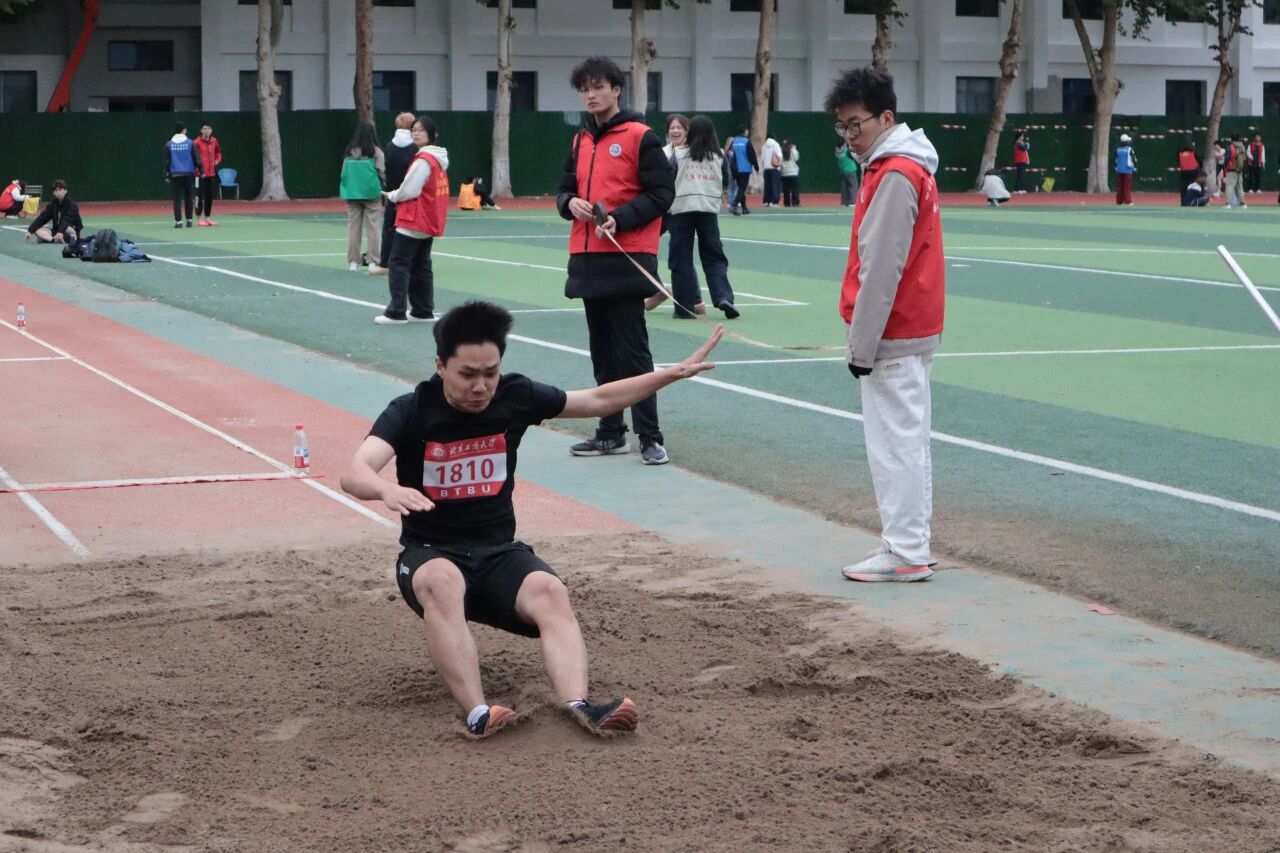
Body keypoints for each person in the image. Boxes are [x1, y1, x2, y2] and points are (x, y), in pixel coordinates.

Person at [340, 301, 723, 738]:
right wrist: (385, 489)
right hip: (431, 556)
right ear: (440, 366)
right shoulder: (411, 410)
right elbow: (354, 473)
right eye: (467, 374)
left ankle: (579, 706)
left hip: (498, 555)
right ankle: (478, 713)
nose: (481, 386)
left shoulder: (515, 396)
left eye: (491, 372)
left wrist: (668, 375)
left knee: (549, 589)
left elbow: (597, 399)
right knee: (443, 581)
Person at [827, 66, 944, 584]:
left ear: (886, 118)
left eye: (856, 124)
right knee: (907, 441)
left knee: (895, 444)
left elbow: (881, 267)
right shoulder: (899, 168)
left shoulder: (895, 173)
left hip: (894, 332)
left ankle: (906, 550)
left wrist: (862, 345)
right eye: (843, 127)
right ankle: (911, 544)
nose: (850, 136)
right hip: (907, 328)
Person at [556, 55, 674, 466]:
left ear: (616, 89)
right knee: (603, 353)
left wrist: (619, 219)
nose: (590, 95)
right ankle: (610, 432)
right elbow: (564, 190)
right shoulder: (579, 140)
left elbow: (662, 195)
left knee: (633, 354)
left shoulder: (642, 137)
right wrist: (569, 203)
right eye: (584, 89)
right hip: (588, 260)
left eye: (598, 87)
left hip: (626, 259)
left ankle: (650, 437)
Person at [665, 114, 739, 321]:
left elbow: (668, 179)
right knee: (714, 256)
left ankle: (684, 307)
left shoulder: (679, 153)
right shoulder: (719, 155)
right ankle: (723, 296)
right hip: (708, 210)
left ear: (690, 133)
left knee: (681, 259)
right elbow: (726, 181)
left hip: (681, 210)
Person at [376, 117, 448, 325]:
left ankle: (396, 311)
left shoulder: (424, 160)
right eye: (414, 130)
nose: (416, 133)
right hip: (428, 219)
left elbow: (410, 189)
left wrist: (392, 195)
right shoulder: (438, 159)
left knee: (398, 262)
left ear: (431, 135)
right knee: (421, 264)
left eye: (421, 130)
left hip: (413, 218)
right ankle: (422, 310)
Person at [376, 112, 418, 276]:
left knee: (389, 228)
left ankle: (385, 262)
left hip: (392, 193)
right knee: (411, 229)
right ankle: (411, 261)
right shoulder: (415, 148)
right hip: (409, 194)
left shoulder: (389, 146)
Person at [340, 120, 385, 273]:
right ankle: (373, 261)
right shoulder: (376, 152)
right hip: (372, 194)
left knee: (353, 227)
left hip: (352, 193)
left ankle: (353, 262)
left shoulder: (350, 151)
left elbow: (343, 174)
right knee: (373, 228)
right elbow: (382, 172)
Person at [164, 123, 197, 228]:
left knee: (177, 199)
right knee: (189, 197)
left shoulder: (169, 144)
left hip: (175, 174)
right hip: (188, 174)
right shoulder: (190, 143)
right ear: (184, 130)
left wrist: (167, 175)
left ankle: (178, 222)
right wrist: (200, 169)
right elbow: (196, 158)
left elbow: (167, 161)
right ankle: (189, 220)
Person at [193, 122, 222, 227]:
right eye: (205, 128)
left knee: (209, 197)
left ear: (211, 130)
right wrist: (198, 171)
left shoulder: (214, 141)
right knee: (199, 196)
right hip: (200, 175)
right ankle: (199, 219)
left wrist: (217, 160)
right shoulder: (196, 142)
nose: (207, 130)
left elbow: (218, 153)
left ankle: (207, 218)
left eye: (209, 128)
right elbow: (193, 158)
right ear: (201, 130)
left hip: (211, 174)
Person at [725, 124, 757, 215]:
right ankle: (734, 205)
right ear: (745, 131)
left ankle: (744, 207)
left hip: (735, 168)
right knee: (742, 188)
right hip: (744, 168)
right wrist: (756, 166)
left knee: (740, 187)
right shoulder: (746, 141)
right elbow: (752, 155)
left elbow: (729, 152)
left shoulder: (734, 140)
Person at [1223, 134, 1247, 209]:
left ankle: (1228, 203)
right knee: (1240, 187)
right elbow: (1244, 160)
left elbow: (1226, 160)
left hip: (1231, 170)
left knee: (1229, 187)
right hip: (1240, 170)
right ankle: (1242, 203)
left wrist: (1224, 168)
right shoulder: (1242, 147)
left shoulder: (1230, 148)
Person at [761, 135, 783, 207]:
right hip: (774, 169)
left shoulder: (764, 146)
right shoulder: (776, 145)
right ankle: (774, 202)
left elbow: (762, 158)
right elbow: (779, 156)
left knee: (767, 186)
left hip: (766, 168)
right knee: (775, 186)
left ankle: (766, 201)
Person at [1115, 133, 1136, 206]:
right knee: (1127, 187)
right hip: (1128, 171)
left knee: (1119, 187)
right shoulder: (1129, 149)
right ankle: (1127, 201)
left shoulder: (1118, 149)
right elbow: (1134, 159)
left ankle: (1119, 201)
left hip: (1119, 170)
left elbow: (1114, 159)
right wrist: (1135, 167)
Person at [780, 139, 801, 207]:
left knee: (786, 190)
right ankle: (795, 203)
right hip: (793, 173)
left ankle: (787, 203)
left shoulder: (780, 151)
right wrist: (794, 149)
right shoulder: (792, 150)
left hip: (784, 173)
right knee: (795, 189)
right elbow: (796, 158)